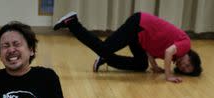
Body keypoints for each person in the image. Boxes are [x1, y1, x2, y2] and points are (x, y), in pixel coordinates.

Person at [53, 11, 201, 81]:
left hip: (140, 38)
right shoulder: (185, 45)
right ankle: (72, 23)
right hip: (138, 25)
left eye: (186, 71)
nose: (184, 67)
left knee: (141, 64)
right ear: (191, 57)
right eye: (188, 65)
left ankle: (106, 58)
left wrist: (154, 66)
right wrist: (168, 75)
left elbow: (151, 50)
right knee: (104, 48)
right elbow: (168, 51)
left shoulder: (175, 55)